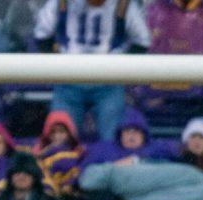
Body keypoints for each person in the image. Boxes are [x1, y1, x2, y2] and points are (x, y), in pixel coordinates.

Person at [32, 0, 151, 142]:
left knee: (112, 139)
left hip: (109, 81)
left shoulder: (123, 4)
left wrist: (119, 66)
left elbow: (142, 41)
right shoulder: (60, 3)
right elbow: (42, 34)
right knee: (60, 139)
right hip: (68, 80)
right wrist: (58, 65)